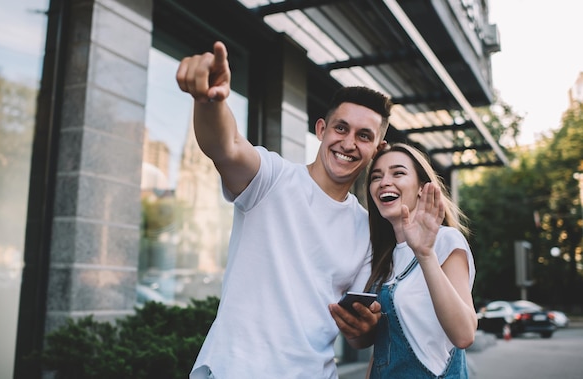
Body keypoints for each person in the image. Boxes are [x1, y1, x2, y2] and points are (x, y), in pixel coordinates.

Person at [176, 41, 393, 378]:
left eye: (364, 136)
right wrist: (209, 100)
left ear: (377, 149)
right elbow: (227, 146)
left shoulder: (368, 230)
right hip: (235, 370)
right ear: (321, 130)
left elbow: (359, 333)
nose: (349, 143)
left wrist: (364, 327)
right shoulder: (273, 177)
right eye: (340, 128)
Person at [359, 143, 477, 378]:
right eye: (376, 176)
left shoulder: (445, 240)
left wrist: (425, 254)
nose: (384, 182)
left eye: (398, 173)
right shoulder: (383, 256)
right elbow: (383, 349)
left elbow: (464, 334)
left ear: (422, 188)